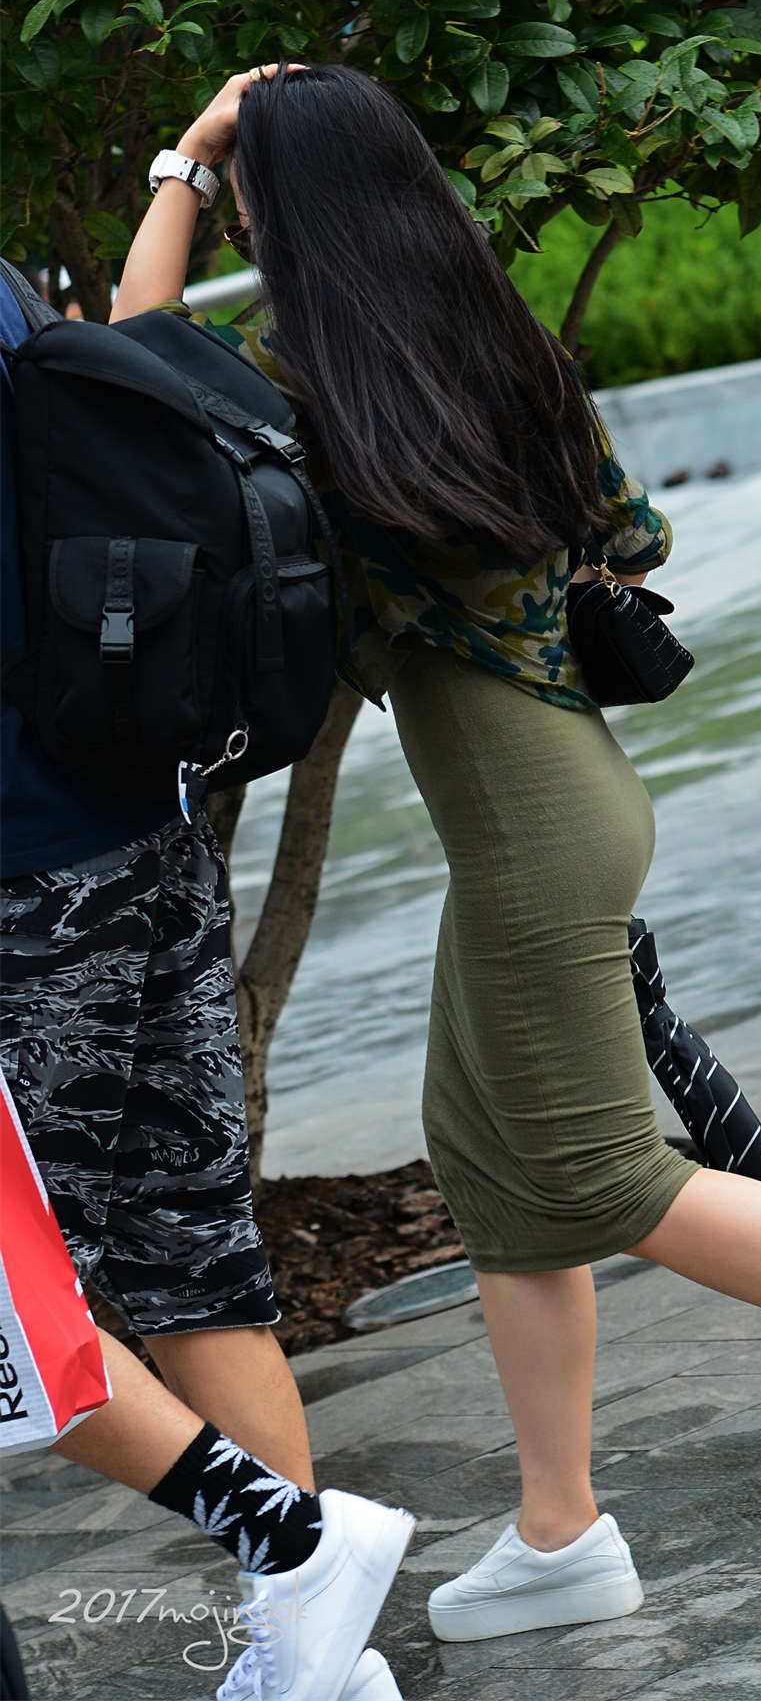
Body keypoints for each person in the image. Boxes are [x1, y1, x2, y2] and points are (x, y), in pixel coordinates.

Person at [112, 60, 761, 1647]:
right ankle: (559, 1532)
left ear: (290, 218)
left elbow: (127, 351)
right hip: (565, 797)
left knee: (600, 1170)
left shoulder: (315, 399)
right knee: (492, 1166)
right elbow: (637, 540)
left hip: (528, 840)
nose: (242, 222)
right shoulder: (493, 351)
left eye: (255, 203)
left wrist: (188, 159)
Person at [0, 262, 411, 1698]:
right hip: (138, 820)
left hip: (26, 880)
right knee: (190, 1264)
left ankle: (295, 1553)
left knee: (17, 1312)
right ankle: (319, 1659)